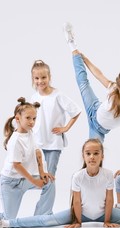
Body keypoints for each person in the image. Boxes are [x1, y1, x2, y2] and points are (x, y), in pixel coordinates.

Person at [0, 97, 55, 223]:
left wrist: (42, 172)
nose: (32, 122)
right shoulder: (15, 140)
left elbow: (37, 152)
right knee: (8, 219)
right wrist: (34, 181)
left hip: (24, 179)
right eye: (28, 118)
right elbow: (17, 166)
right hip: (10, 183)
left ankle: (40, 217)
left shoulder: (30, 132)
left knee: (49, 182)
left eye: (34, 118)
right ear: (18, 119)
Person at [63, 22, 120, 142]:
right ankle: (72, 44)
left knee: (94, 154)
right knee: (82, 81)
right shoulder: (115, 88)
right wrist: (86, 59)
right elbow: (98, 75)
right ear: (119, 84)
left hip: (98, 129)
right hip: (93, 108)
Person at [30, 60, 81, 199]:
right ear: (33, 79)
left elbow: (76, 111)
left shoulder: (58, 95)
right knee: (37, 176)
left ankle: (45, 212)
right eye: (37, 78)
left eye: (43, 77)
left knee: (49, 176)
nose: (40, 81)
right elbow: (31, 118)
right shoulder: (34, 97)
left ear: (49, 77)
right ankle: (44, 212)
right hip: (37, 142)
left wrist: (65, 128)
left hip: (53, 143)